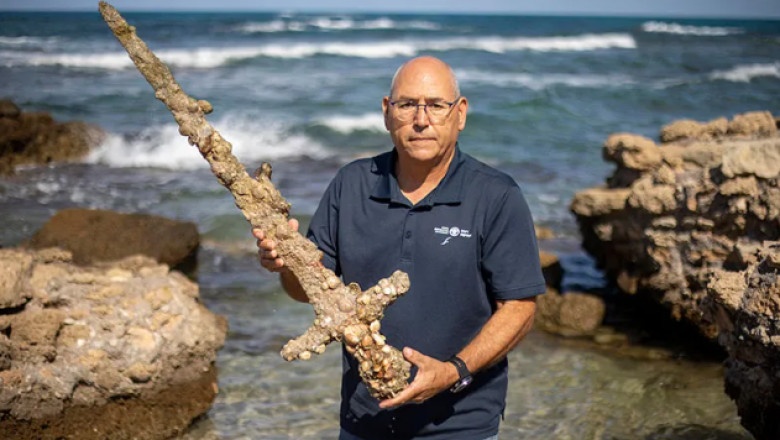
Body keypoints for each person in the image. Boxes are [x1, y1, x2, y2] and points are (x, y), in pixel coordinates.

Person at [253, 56, 545, 440]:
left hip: (461, 424)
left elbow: (520, 308)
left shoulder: (496, 195)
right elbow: (308, 292)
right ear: (387, 112)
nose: (421, 120)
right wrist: (288, 263)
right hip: (363, 421)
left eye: (436, 105)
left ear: (460, 113)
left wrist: (453, 371)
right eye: (407, 104)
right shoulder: (351, 185)